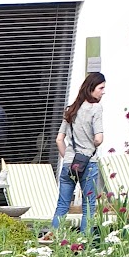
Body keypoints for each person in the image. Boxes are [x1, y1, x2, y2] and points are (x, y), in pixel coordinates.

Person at [50, 72, 105, 235]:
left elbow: (59, 140)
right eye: (101, 88)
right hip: (88, 163)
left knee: (62, 205)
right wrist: (92, 143)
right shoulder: (96, 108)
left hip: (69, 163)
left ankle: (54, 241)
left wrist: (68, 157)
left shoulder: (70, 110)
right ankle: (85, 244)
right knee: (88, 206)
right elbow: (98, 139)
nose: (103, 92)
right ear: (91, 88)